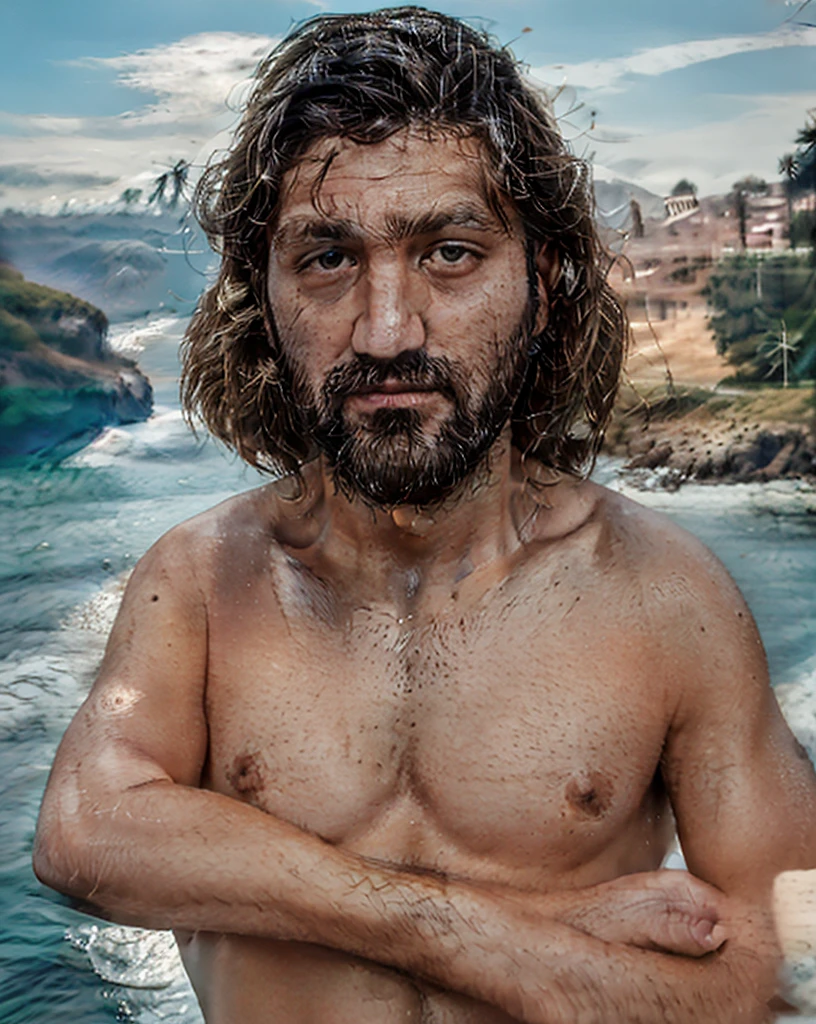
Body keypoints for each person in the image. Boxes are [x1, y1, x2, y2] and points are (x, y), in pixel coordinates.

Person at [33, 8, 816, 1023]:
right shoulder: (199, 585)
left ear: (541, 280)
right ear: (260, 297)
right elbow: (85, 829)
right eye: (327, 258)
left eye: (450, 251)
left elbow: (784, 961)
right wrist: (497, 937)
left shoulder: (670, 598)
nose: (387, 329)